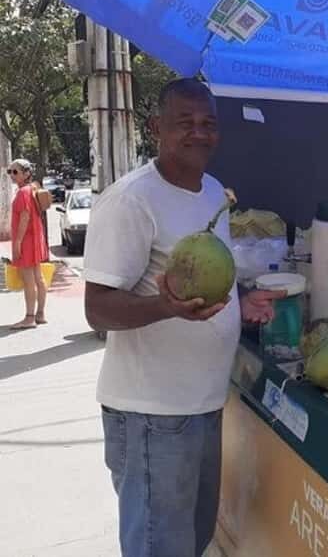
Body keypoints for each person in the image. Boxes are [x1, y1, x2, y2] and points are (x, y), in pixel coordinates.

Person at [83, 79, 286, 557]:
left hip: (204, 404)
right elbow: (97, 308)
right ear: (156, 128)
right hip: (152, 415)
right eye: (185, 123)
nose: (199, 133)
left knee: (192, 541)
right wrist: (163, 307)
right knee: (160, 547)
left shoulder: (213, 191)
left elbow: (206, 273)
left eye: (208, 123)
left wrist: (242, 298)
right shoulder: (131, 200)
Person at [7, 158, 49, 329]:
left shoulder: (23, 191)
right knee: (38, 278)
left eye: (15, 171)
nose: (12, 175)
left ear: (26, 174)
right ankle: (40, 314)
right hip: (35, 238)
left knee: (29, 280)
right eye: (10, 171)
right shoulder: (32, 188)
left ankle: (30, 317)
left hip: (26, 240)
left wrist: (17, 242)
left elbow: (24, 217)